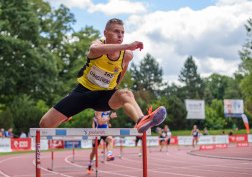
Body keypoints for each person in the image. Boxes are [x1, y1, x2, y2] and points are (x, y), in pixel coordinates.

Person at [39, 18, 167, 134]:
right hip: (83, 93)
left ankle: (141, 120)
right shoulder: (97, 45)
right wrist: (127, 45)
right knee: (44, 125)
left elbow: (121, 72)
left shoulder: (126, 55)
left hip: (103, 97)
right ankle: (66, 115)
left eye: (122, 32)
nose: (120, 35)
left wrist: (114, 90)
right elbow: (94, 50)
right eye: (116, 32)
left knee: (126, 94)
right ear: (106, 33)